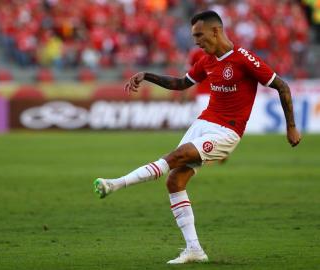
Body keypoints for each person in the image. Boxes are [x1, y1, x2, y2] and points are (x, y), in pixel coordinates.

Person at [93, 10, 301, 264]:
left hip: (227, 132)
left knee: (177, 156)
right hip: (202, 123)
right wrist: (147, 75)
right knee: (174, 182)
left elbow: (282, 85)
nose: (196, 42)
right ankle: (194, 250)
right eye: (194, 37)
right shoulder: (206, 60)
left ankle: (115, 184)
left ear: (216, 31)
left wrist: (291, 126)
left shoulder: (243, 58)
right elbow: (181, 83)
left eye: (199, 35)